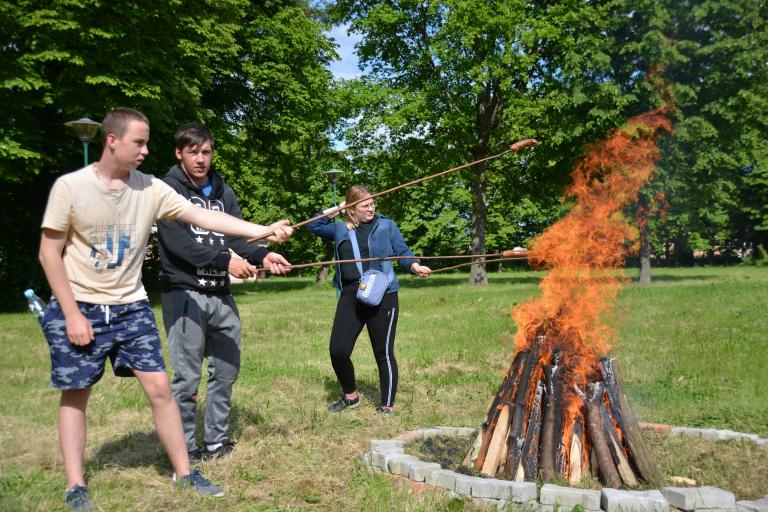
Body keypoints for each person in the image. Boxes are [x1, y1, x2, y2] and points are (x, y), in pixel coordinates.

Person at [38, 108, 292, 512]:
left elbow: (205, 217)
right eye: (139, 142)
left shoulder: (151, 188)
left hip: (131, 304)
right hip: (82, 303)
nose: (145, 149)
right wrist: (71, 314)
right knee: (77, 393)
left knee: (160, 389)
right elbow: (49, 253)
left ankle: (185, 472)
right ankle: (75, 483)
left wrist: (262, 232)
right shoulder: (71, 187)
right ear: (112, 140)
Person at [156, 122, 290, 463]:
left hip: (221, 294)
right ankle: (185, 447)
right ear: (179, 153)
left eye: (207, 152)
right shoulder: (167, 191)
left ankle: (216, 442)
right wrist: (224, 261)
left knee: (226, 369)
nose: (201, 159)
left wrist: (263, 254)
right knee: (187, 378)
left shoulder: (222, 191)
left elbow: (236, 238)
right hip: (184, 294)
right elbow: (179, 245)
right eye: (193, 152)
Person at [307, 185, 431, 414]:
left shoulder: (386, 225)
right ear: (351, 208)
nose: (371, 208)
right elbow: (313, 224)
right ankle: (351, 397)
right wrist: (339, 208)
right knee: (338, 351)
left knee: (383, 352)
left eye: (372, 203)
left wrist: (414, 265)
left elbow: (402, 251)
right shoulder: (340, 229)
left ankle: (387, 405)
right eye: (365, 205)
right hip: (351, 295)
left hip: (384, 295)